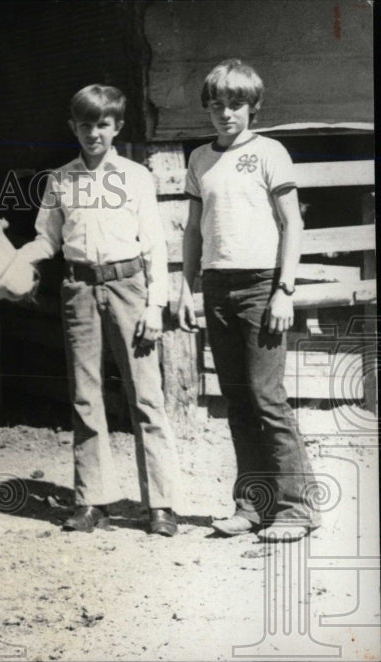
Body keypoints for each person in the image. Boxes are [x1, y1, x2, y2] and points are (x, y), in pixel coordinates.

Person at [20, 84, 181, 536]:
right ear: (72, 126)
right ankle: (92, 501)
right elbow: (47, 239)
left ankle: (161, 506)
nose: (94, 133)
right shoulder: (59, 179)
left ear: (118, 128)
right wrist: (15, 261)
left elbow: (154, 246)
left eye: (103, 125)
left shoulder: (135, 177)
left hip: (130, 287)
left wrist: (155, 306)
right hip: (80, 288)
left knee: (146, 397)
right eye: (85, 124)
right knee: (86, 398)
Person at [177, 60, 319, 542]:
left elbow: (292, 223)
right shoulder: (199, 159)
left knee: (266, 398)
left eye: (235, 104)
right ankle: (251, 505)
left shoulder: (269, 152)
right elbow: (195, 229)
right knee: (236, 400)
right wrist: (185, 285)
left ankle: (297, 508)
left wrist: (285, 289)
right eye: (216, 105)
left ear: (253, 107)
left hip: (262, 286)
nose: (225, 113)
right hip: (217, 287)